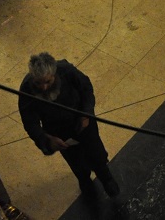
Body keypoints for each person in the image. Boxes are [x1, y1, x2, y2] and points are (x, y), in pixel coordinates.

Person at [18, 52, 120, 199]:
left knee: (96, 152)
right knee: (75, 160)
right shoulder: (26, 89)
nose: (44, 87)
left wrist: (86, 114)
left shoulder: (67, 71)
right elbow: (30, 123)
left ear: (54, 74)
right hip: (58, 131)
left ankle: (106, 178)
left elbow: (86, 90)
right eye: (38, 83)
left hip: (82, 122)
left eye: (48, 81)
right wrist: (47, 139)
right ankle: (84, 181)